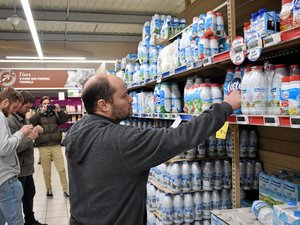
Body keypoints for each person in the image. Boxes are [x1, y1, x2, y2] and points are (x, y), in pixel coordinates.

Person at [63, 74, 241, 225]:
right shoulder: (119, 140)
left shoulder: (76, 131)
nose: (131, 99)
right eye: (125, 95)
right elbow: (181, 137)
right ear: (104, 105)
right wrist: (225, 106)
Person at [7, 91, 47, 225]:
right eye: (26, 107)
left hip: (27, 167)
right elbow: (13, 147)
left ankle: (30, 220)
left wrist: (36, 131)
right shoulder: (10, 121)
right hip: (18, 169)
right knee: (17, 198)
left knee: (30, 194)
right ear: (18, 105)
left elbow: (27, 137)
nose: (28, 110)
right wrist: (31, 138)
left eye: (30, 108)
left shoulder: (25, 118)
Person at [0, 87, 35, 225]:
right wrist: (21, 134)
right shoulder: (2, 118)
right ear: (5, 102)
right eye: (14, 107)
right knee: (16, 221)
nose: (13, 111)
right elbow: (4, 147)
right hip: (6, 178)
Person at [29, 96, 69, 199]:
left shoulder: (55, 114)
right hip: (43, 146)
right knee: (46, 171)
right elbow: (30, 122)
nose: (46, 105)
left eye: (48, 103)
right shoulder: (38, 114)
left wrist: (60, 111)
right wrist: (41, 113)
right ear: (41, 105)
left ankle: (65, 189)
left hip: (56, 145)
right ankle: (49, 189)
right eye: (44, 104)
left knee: (61, 169)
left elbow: (64, 121)